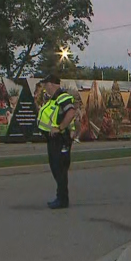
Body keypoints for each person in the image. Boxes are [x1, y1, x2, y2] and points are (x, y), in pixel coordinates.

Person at [36, 74, 78, 210]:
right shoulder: (53, 99)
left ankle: (62, 199)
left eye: (46, 84)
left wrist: (59, 128)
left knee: (59, 168)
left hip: (60, 139)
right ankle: (60, 197)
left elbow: (71, 113)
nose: (45, 88)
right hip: (54, 139)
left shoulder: (62, 97)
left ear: (51, 84)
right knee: (57, 168)